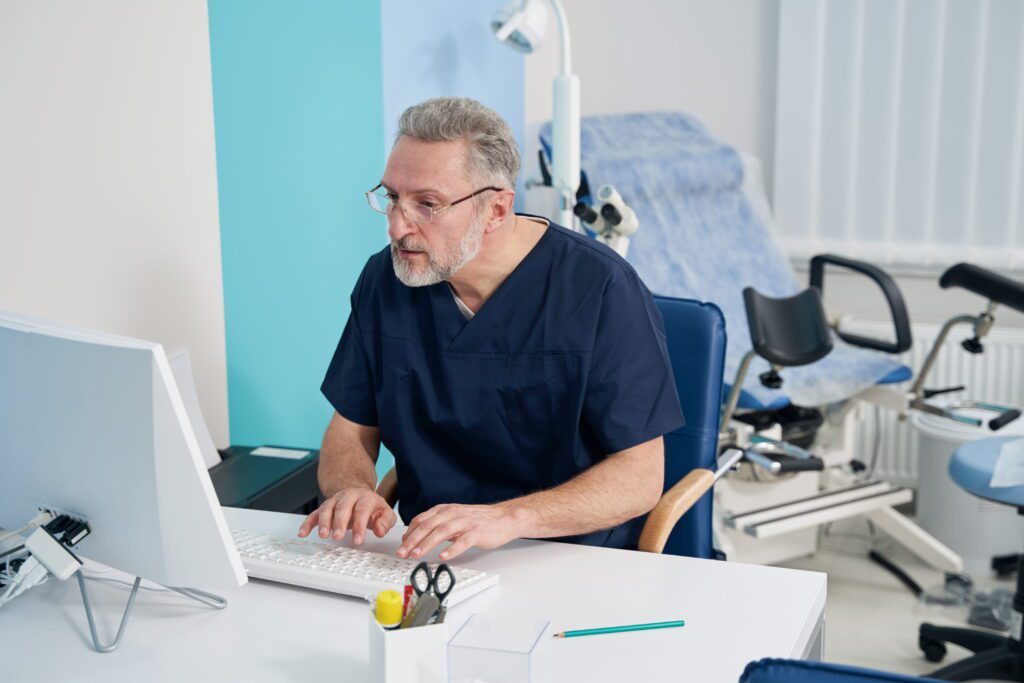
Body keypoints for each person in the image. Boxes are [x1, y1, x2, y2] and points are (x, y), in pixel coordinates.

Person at [297, 97, 683, 561]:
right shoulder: (387, 281)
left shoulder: (600, 290)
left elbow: (640, 476)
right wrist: (352, 489)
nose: (397, 227)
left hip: (569, 557)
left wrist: (510, 518)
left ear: (497, 210)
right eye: (393, 197)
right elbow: (350, 430)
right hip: (427, 556)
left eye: (427, 205)